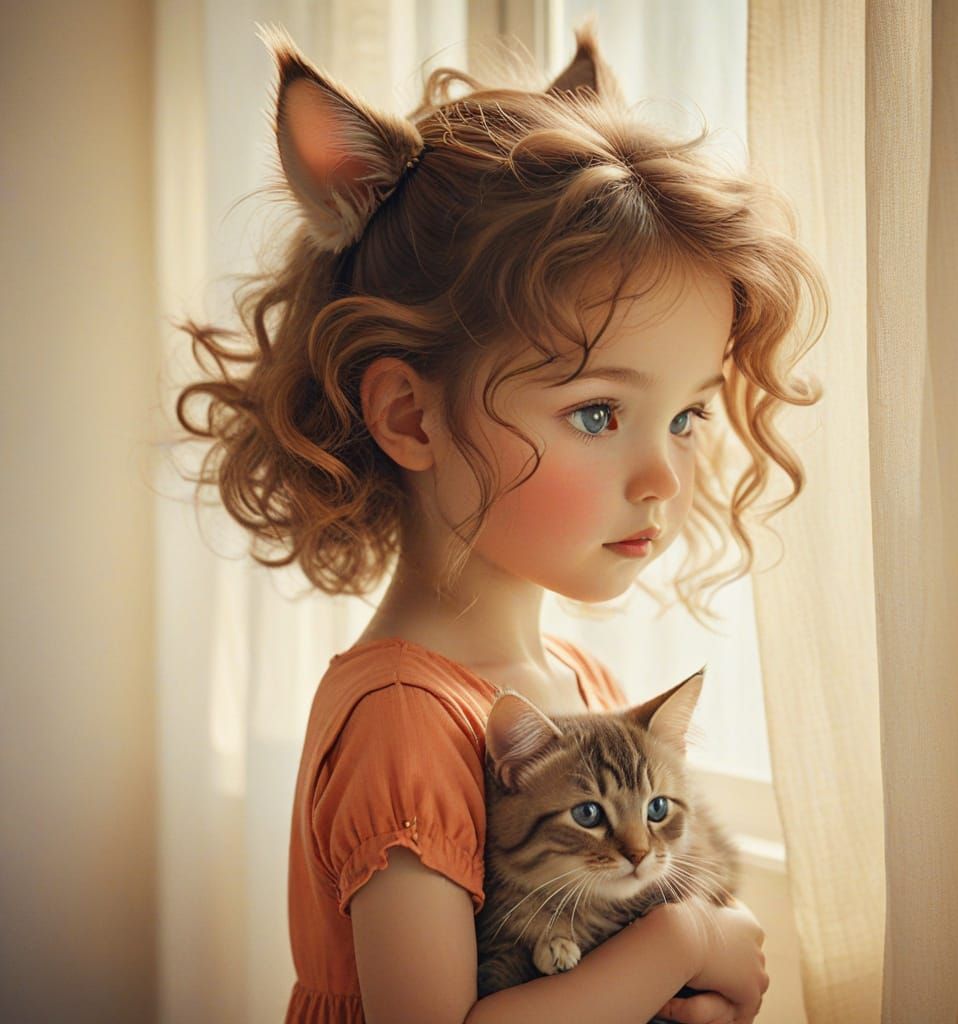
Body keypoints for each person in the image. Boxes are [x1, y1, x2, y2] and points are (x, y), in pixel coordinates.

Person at [173, 17, 828, 1024]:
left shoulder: (583, 687)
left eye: (688, 415)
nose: (664, 476)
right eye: (599, 414)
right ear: (411, 417)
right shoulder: (404, 721)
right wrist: (685, 944)